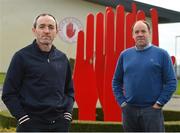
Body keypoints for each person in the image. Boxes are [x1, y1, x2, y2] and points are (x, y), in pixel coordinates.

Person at [1, 13, 74, 132]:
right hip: (30, 126)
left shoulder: (62, 58)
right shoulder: (21, 57)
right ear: (34, 30)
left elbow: (69, 91)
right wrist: (22, 117)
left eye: (51, 27)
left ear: (56, 31)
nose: (46, 31)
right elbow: (9, 93)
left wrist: (67, 115)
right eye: (42, 26)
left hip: (60, 126)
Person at [112, 20, 177, 132]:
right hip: (129, 111)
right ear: (132, 35)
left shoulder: (162, 54)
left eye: (143, 31)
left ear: (149, 33)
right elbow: (116, 81)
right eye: (136, 32)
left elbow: (171, 82)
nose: (140, 34)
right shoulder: (125, 55)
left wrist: (159, 103)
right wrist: (122, 103)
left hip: (152, 111)